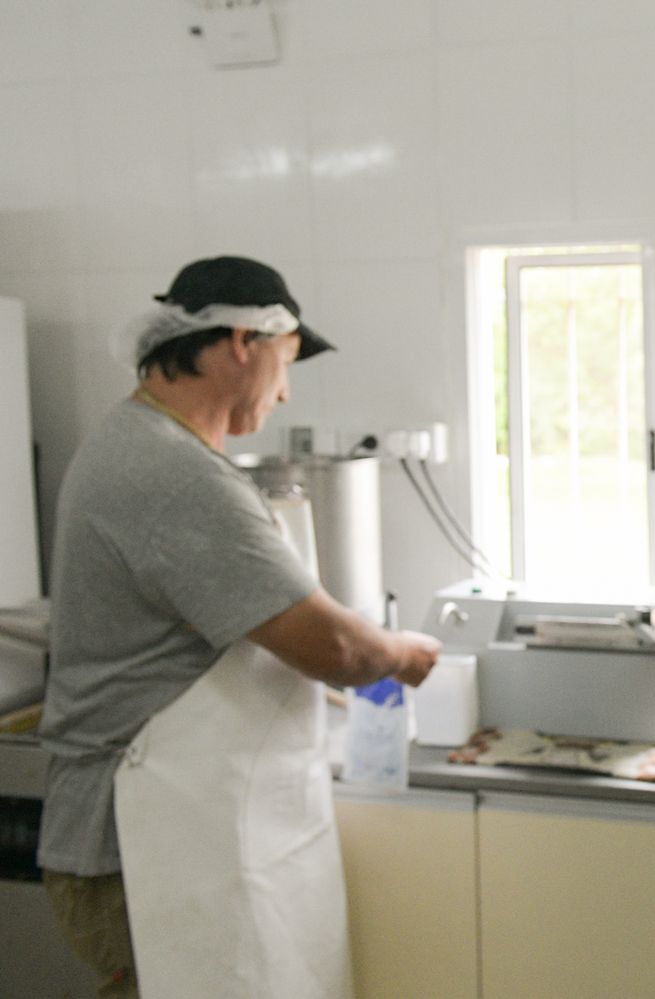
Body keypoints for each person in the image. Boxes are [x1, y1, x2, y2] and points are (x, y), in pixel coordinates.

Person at [38, 256, 443, 999]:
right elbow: (337, 647)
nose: (285, 390)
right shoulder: (171, 473)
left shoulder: (139, 445)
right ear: (241, 342)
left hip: (161, 835)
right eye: (285, 363)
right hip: (133, 847)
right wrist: (406, 652)